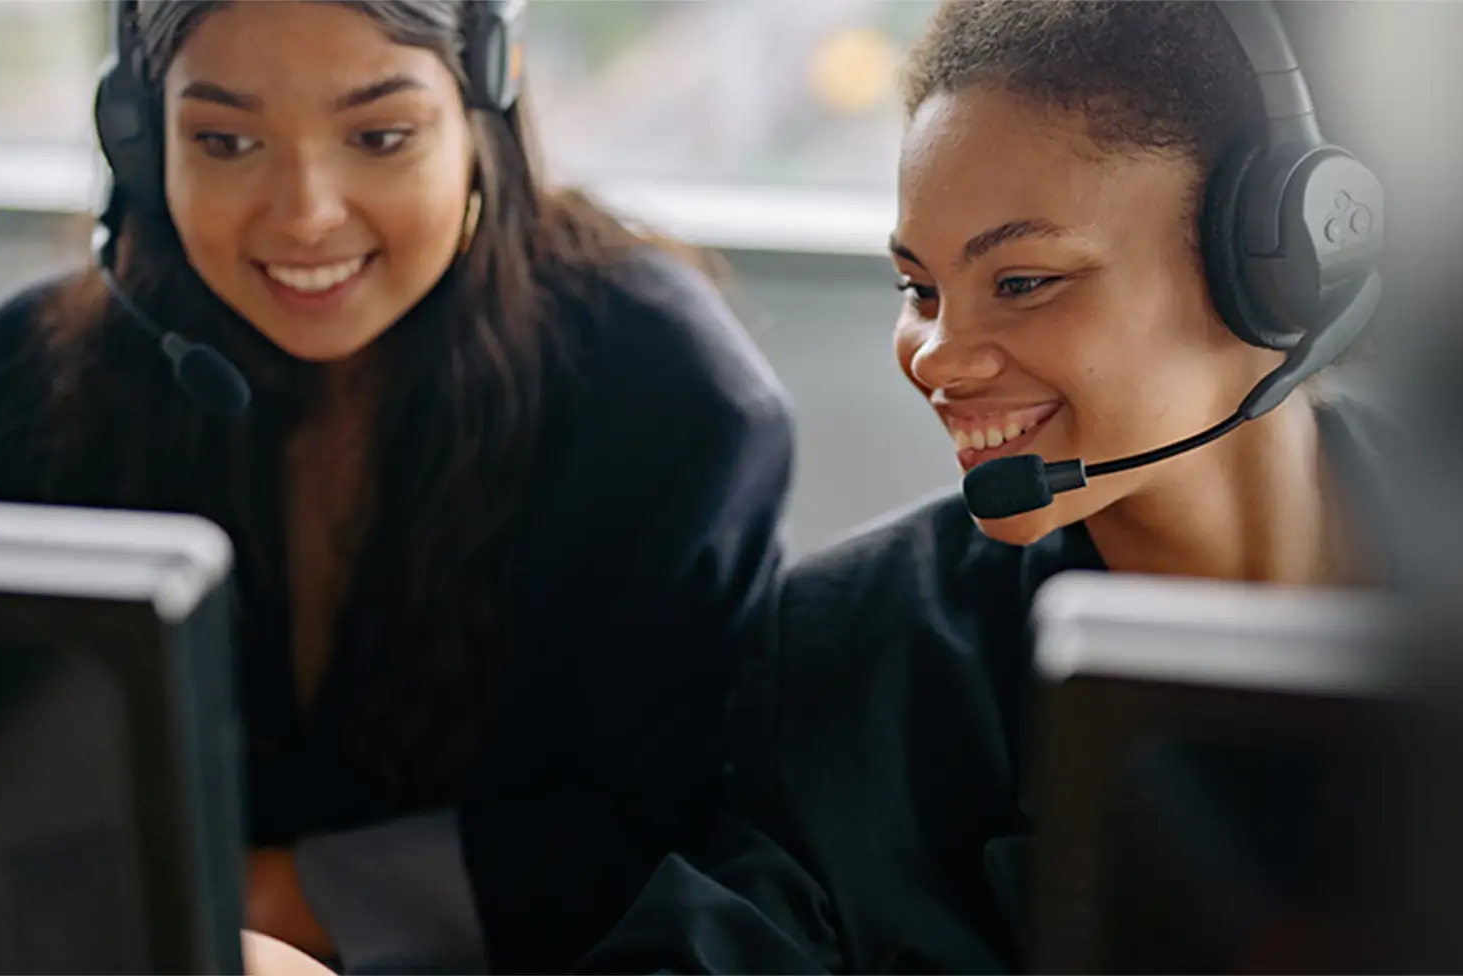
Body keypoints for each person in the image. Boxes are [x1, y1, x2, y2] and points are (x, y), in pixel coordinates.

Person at [0, 2, 796, 971]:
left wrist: (271, 904)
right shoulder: (19, 381)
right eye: (226, 140)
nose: (305, 214)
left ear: (480, 111)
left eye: (379, 136)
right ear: (136, 135)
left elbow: (685, 829)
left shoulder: (666, 390)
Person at [593, 3, 1398, 972]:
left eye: (1021, 282)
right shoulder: (856, 656)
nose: (935, 356)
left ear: (1275, 270)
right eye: (920, 290)